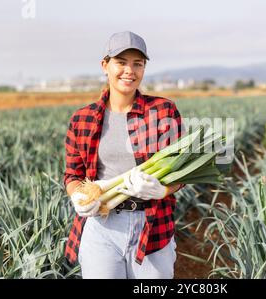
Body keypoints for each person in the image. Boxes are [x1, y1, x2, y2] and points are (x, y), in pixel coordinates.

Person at [63, 31, 185, 279]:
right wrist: (78, 195)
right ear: (105, 65)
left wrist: (162, 190)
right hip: (102, 225)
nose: (129, 70)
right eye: (121, 62)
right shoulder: (82, 118)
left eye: (137, 64)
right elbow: (72, 175)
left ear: (144, 68)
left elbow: (181, 172)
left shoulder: (162, 110)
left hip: (152, 225)